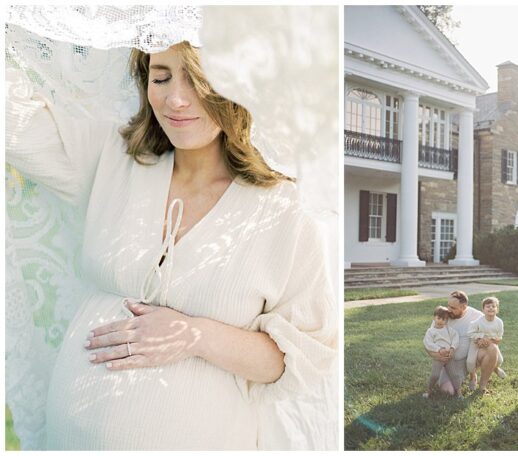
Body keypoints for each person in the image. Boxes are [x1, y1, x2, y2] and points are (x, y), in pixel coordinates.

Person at [5, 42, 337, 450]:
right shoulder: (113, 158)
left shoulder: (283, 209)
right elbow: (13, 125)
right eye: (160, 77)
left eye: (200, 79)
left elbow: (298, 358)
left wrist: (194, 334)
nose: (176, 99)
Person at [426, 291, 502, 396]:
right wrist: (435, 355)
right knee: (447, 391)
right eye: (448, 305)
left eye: (453, 308)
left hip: (472, 357)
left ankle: (482, 386)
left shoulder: (477, 316)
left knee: (492, 348)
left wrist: (482, 339)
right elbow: (428, 341)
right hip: (450, 362)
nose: (449, 310)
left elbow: (492, 334)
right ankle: (460, 376)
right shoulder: (442, 316)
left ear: (464, 306)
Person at [467, 297, 506, 394]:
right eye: (488, 306)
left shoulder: (499, 322)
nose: (491, 308)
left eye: (493, 306)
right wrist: (480, 338)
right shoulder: (478, 321)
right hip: (477, 342)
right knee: (470, 363)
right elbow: (470, 333)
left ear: (497, 309)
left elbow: (499, 338)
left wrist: (490, 340)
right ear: (483, 309)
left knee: (499, 360)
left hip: (491, 343)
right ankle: (472, 376)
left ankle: (495, 368)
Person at [423, 306, 461, 398]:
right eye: (438, 318)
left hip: (449, 357)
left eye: (444, 319)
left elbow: (455, 338)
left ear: (446, 320)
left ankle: (459, 393)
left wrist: (452, 348)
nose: (440, 321)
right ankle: (428, 390)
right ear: (434, 318)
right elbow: (428, 343)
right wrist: (439, 349)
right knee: (435, 375)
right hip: (439, 357)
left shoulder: (448, 329)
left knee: (455, 375)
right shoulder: (431, 331)